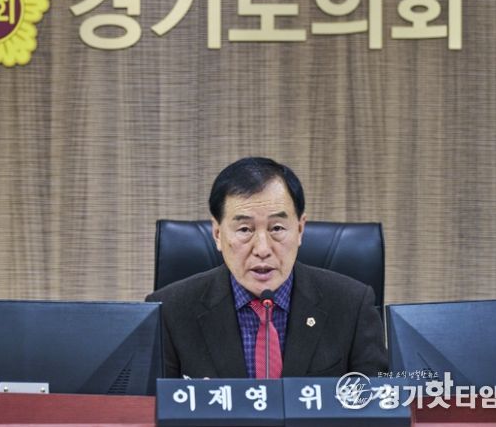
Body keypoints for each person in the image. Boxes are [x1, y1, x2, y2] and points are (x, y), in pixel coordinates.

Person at [146, 157, 387, 378]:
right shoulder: (170, 312)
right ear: (218, 234)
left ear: (300, 229)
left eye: (277, 228)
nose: (262, 249)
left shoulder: (352, 305)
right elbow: (150, 405)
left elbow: (380, 401)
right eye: (245, 230)